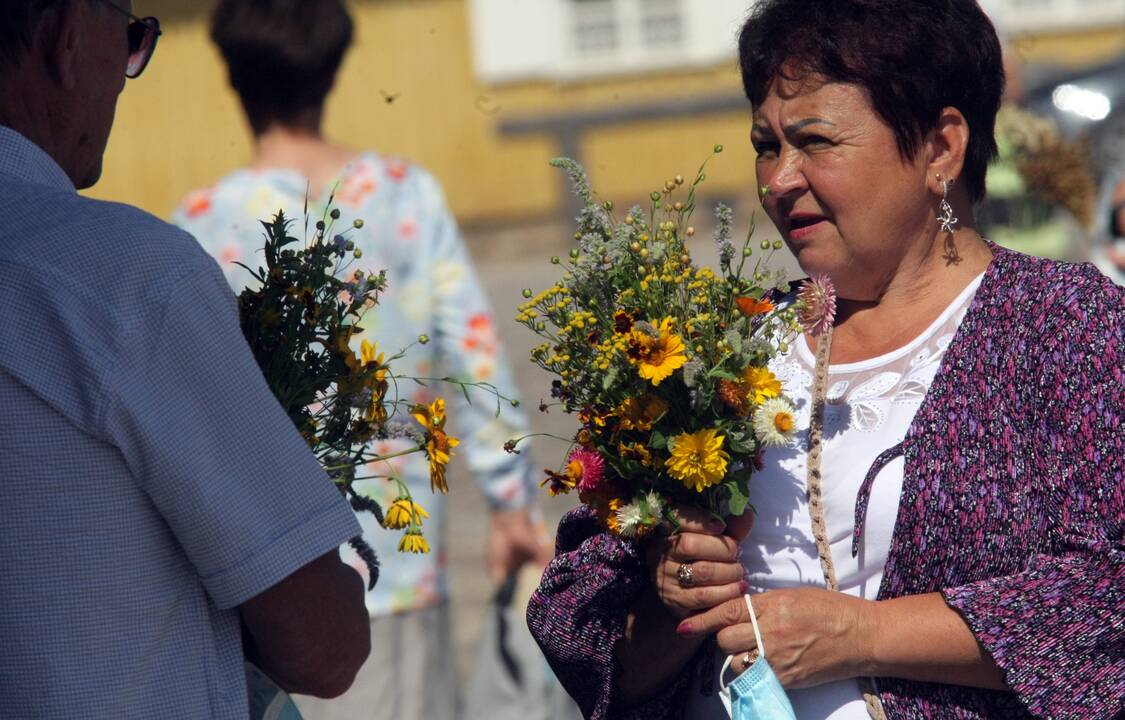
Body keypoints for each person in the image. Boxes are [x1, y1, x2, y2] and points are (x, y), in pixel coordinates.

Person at [527, 1, 1124, 718]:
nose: (779, 180)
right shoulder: (717, 354)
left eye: (813, 141)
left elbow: (1106, 596)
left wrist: (861, 635)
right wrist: (673, 594)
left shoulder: (1064, 325)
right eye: (765, 146)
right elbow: (593, 649)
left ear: (940, 148)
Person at [172, 2, 548, 718]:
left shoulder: (195, 225)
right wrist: (511, 504)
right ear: (334, 67)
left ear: (232, 76)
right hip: (398, 552)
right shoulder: (405, 193)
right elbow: (473, 354)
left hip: (268, 577)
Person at [0, 1, 370, 718]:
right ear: (65, 39)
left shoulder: (155, 247)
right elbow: (321, 648)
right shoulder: (120, 277)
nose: (126, 78)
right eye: (133, 40)